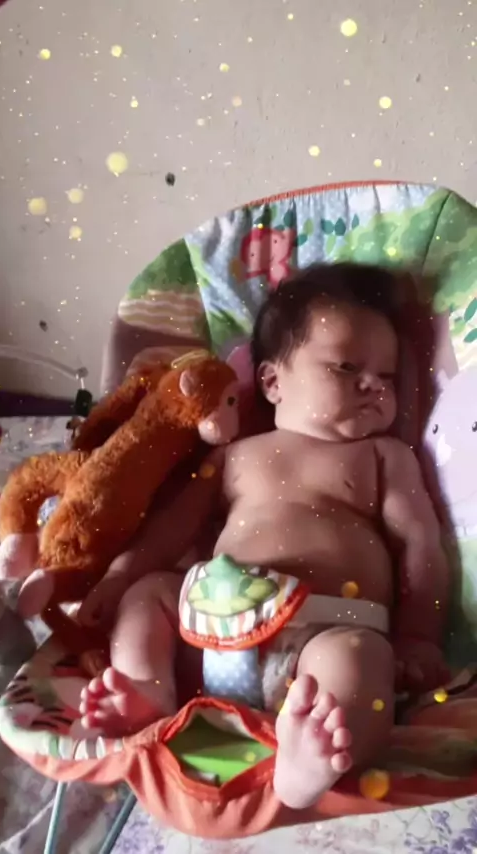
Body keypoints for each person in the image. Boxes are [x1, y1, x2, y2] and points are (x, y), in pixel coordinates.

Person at [79, 262, 449, 810]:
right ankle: (148, 694)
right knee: (147, 595)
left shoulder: (384, 456)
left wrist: (418, 636)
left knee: (363, 662)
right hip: (211, 625)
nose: (372, 385)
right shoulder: (233, 456)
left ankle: (307, 768)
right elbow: (171, 529)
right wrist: (118, 575)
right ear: (273, 382)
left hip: (326, 634)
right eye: (347, 367)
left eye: (388, 377)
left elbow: (421, 544)